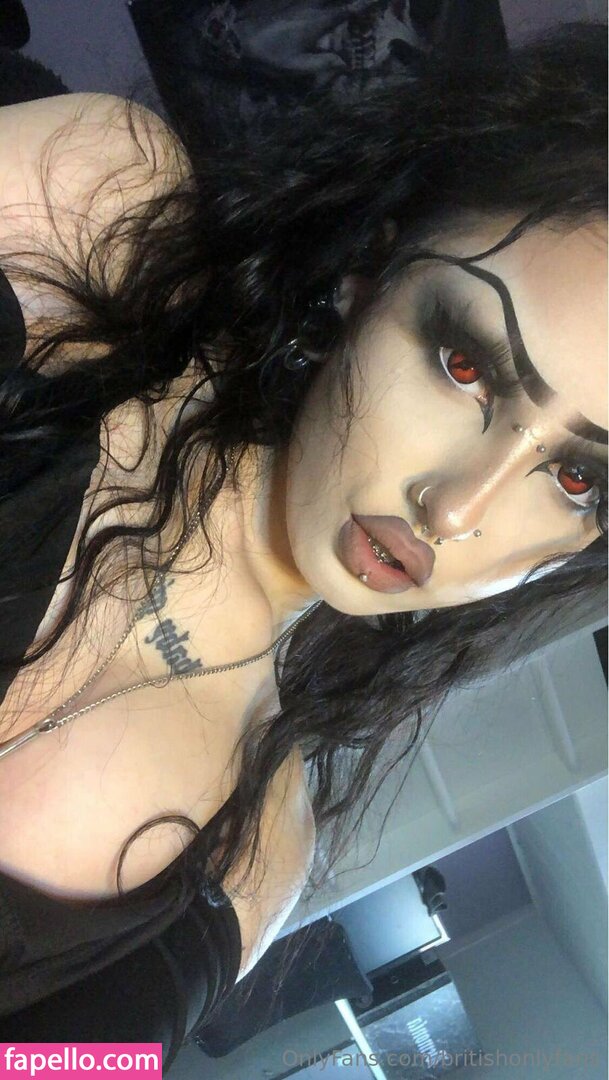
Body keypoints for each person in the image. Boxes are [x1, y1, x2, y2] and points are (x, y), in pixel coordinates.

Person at [0, 16, 606, 1065]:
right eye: (464, 365)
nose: (454, 511)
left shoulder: (256, 859)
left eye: (575, 477)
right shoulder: (101, 211)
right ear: (368, 275)